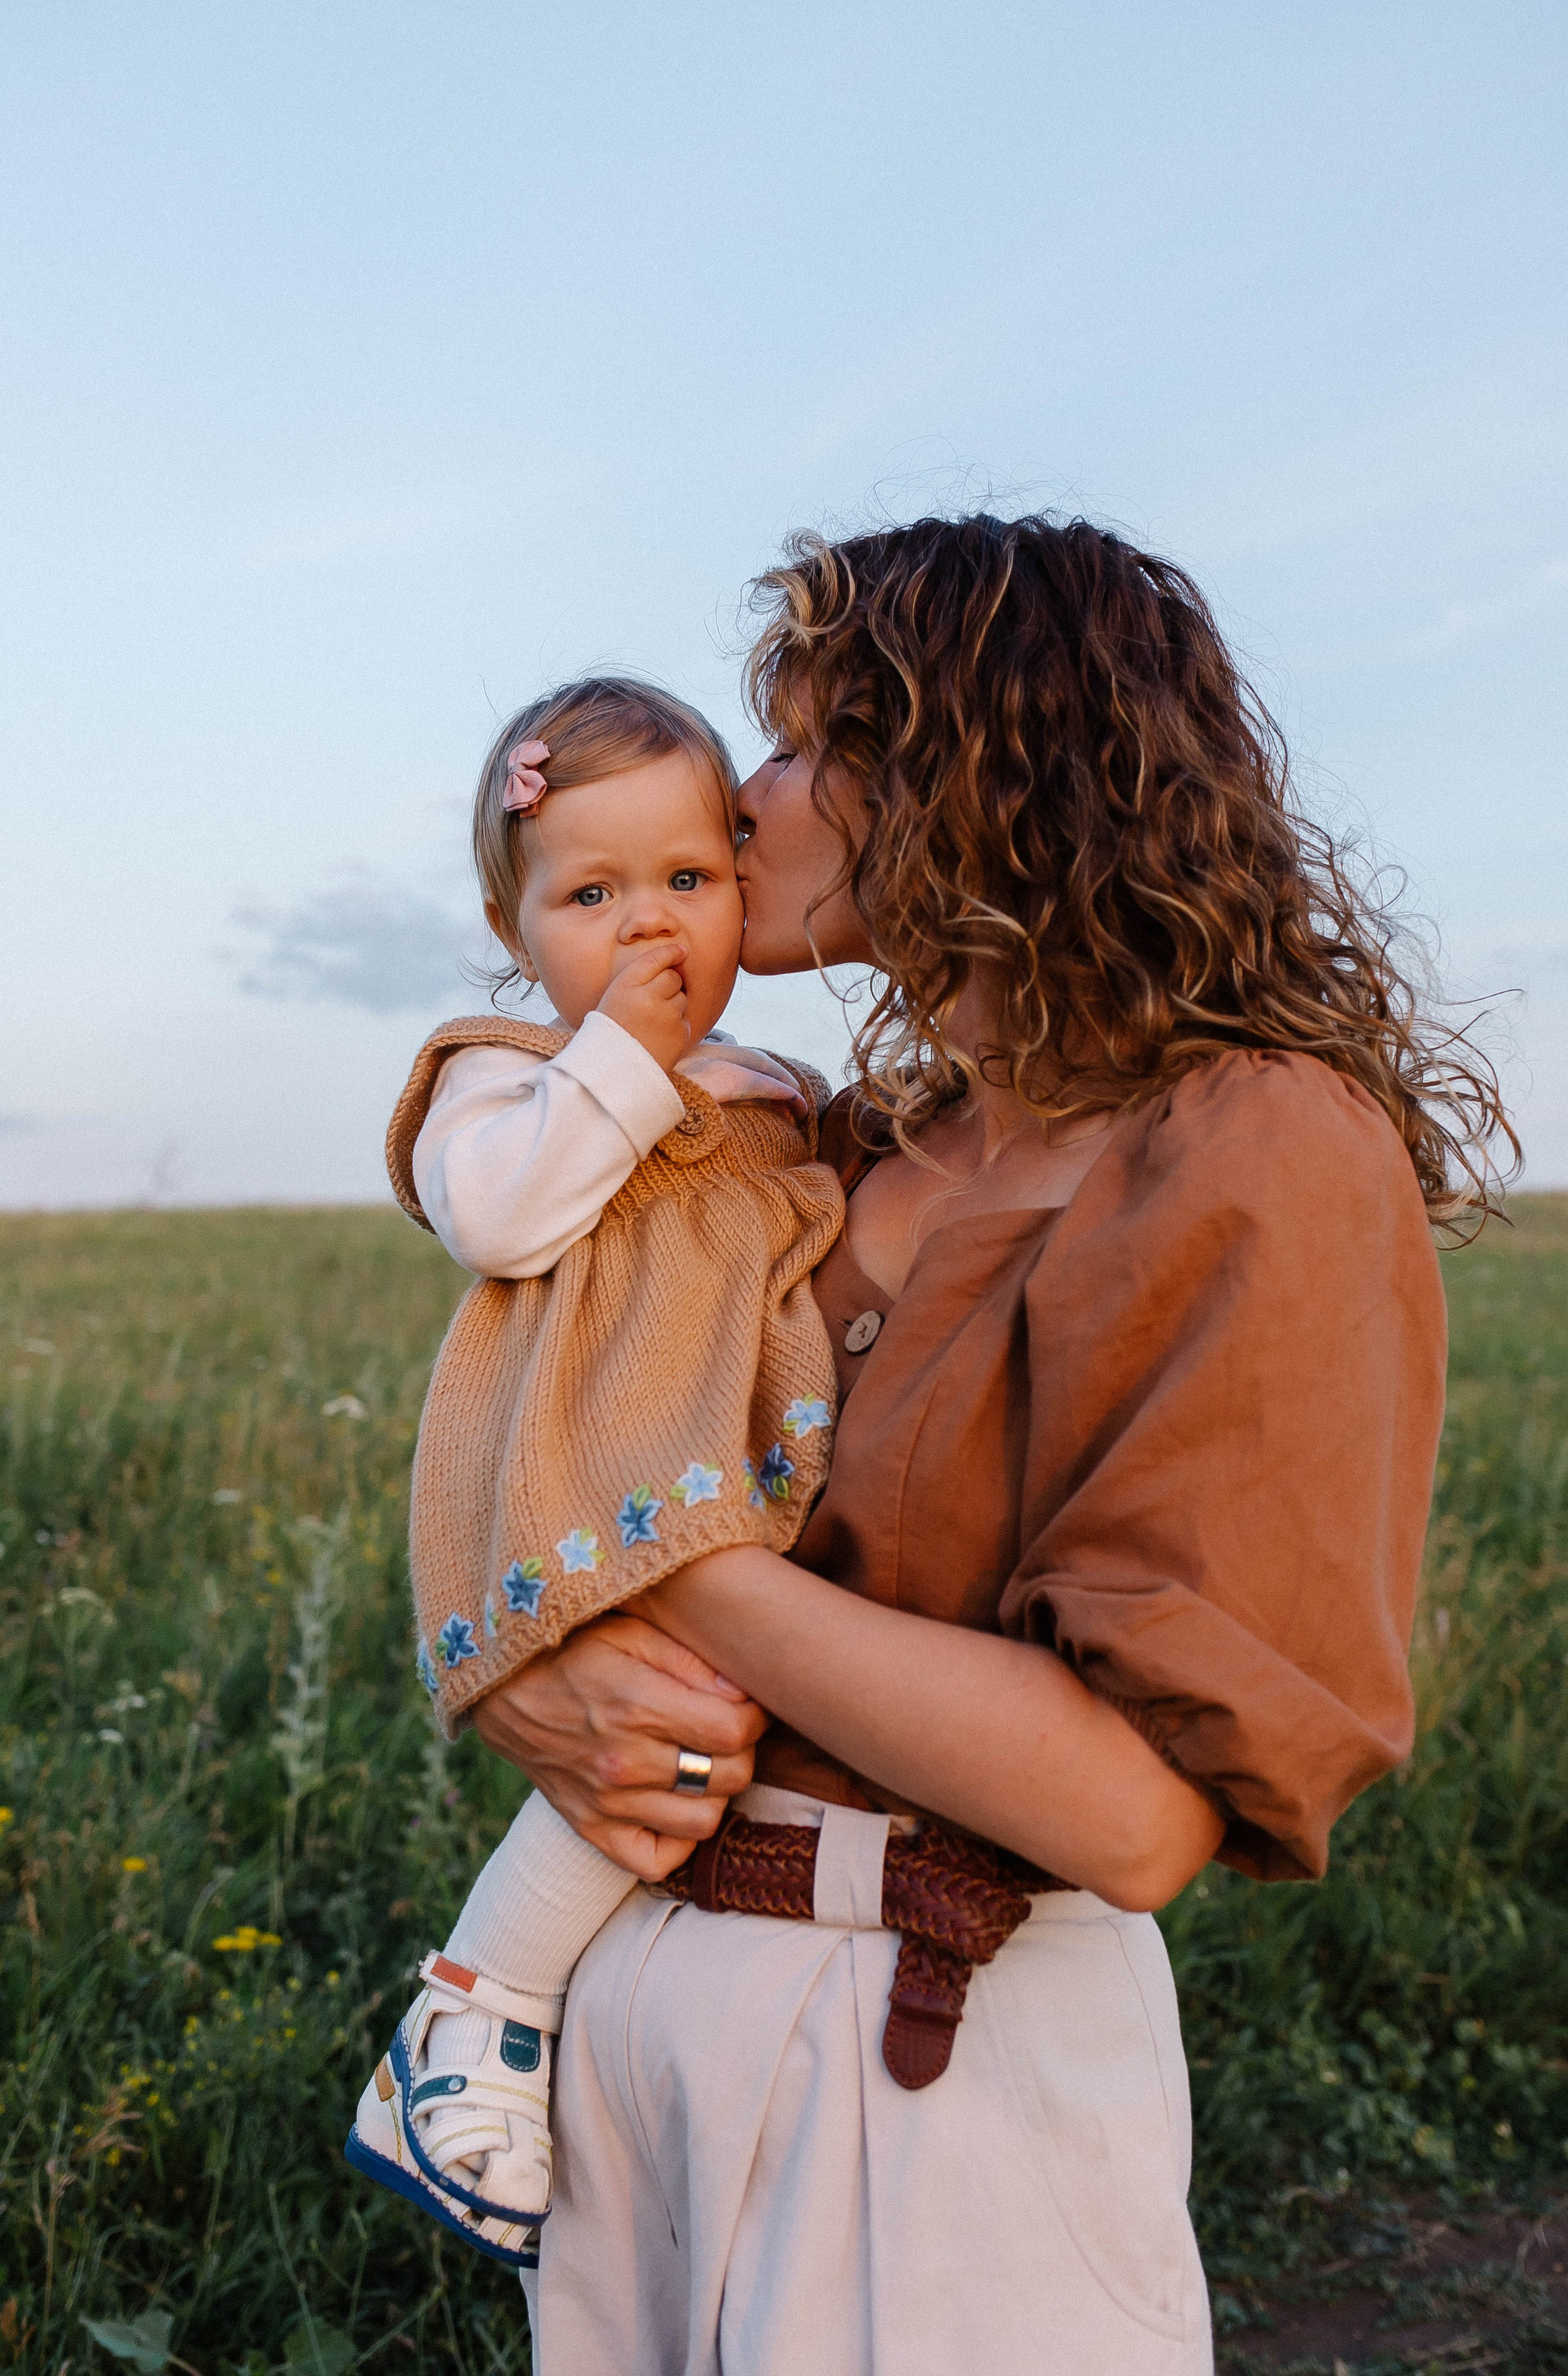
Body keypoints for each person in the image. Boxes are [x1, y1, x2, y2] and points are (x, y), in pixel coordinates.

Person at [465, 514, 1511, 2376]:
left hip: (933, 2090)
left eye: (796, 743)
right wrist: (515, 1684)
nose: (746, 795)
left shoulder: (1256, 1142)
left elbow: (1129, 1808)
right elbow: (532, 1434)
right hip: (640, 2053)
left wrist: (674, 1567)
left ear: (972, 765)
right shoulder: (840, 1149)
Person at [347, 676, 845, 2257]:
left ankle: (572, 2025)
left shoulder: (765, 1088)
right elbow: (500, 1215)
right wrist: (622, 1060)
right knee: (660, 1738)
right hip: (589, 1474)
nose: (648, 933)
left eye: (688, 883)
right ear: (514, 927)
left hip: (728, 1473)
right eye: (590, 895)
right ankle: (474, 2007)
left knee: (700, 1758)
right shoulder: (498, 1077)